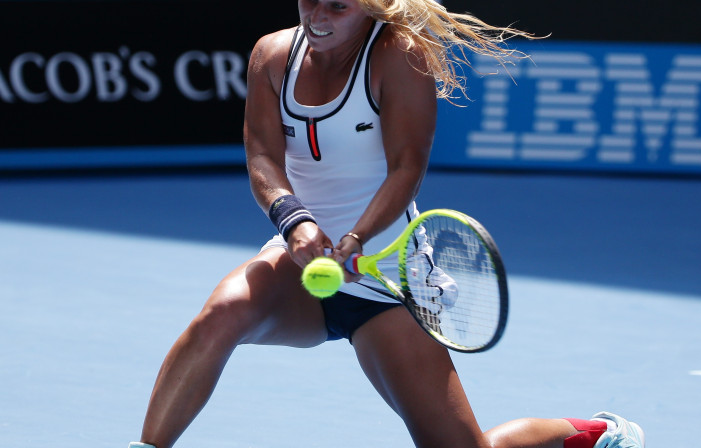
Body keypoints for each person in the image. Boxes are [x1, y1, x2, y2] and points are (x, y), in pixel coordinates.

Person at [129, 0, 645, 447]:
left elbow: (407, 167)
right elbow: (262, 156)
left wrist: (357, 238)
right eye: (311, 0)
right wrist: (294, 221)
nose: (318, 16)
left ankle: (596, 434)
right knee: (219, 317)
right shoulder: (271, 54)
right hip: (299, 264)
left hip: (388, 278)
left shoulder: (400, 56)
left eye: (339, 5)